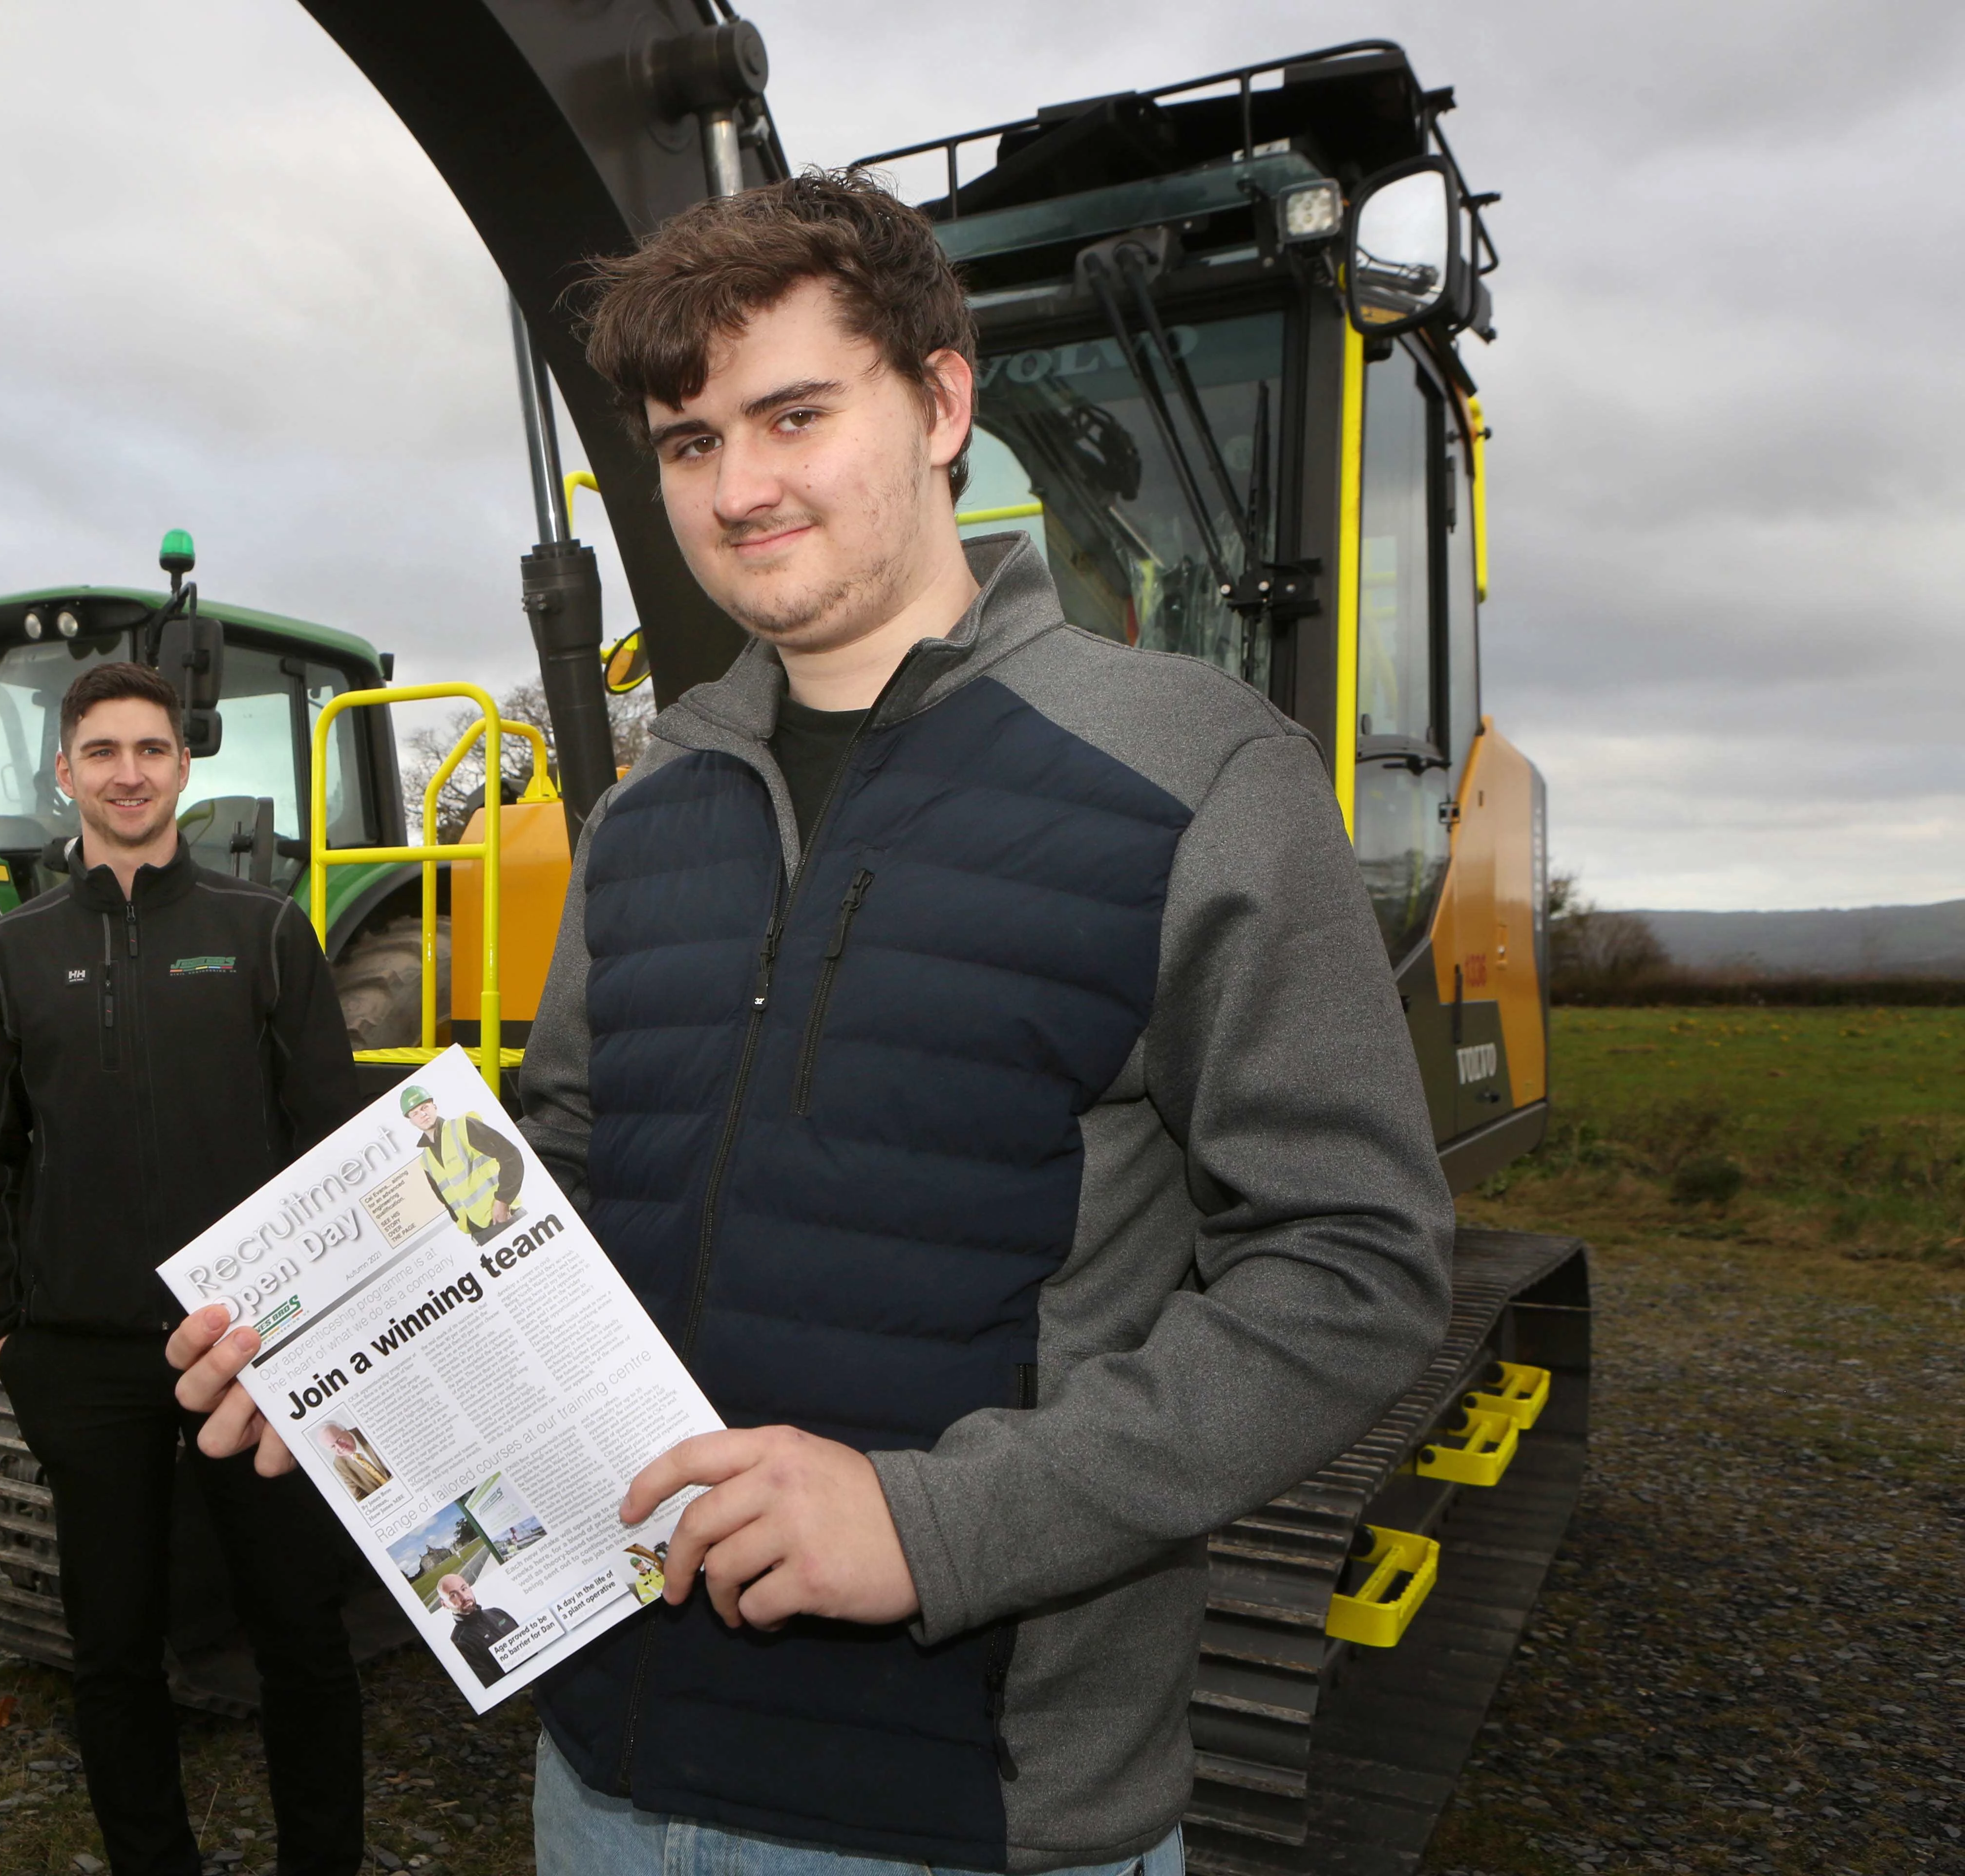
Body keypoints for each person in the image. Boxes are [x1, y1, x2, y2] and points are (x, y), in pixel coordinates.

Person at [173, 171, 1453, 1876]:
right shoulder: (649, 810)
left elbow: (1353, 1266)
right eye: (690, 444)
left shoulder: (1196, 773)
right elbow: (570, 1164)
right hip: (611, 1779)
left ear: (939, 403)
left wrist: (936, 1523)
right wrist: (353, 1332)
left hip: (970, 1815)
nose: (739, 485)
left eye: (794, 414)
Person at [0, 660, 366, 1876]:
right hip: (84, 1360)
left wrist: (321, 1331)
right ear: (62, 772)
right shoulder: (9, 955)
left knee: (299, 1628)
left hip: (255, 1352)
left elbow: (334, 1147)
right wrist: (3, 1337)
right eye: (102, 751)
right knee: (112, 1646)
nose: (128, 772)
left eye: (151, 750)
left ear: (185, 767)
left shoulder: (264, 933)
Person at [399, 1083, 524, 1242]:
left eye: (425, 1107)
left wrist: (503, 1201)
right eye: (415, 1113)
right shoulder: (426, 1160)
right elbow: (446, 1199)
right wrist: (467, 1227)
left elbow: (511, 1155)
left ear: (434, 1107)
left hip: (505, 1217)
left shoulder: (463, 1127)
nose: (422, 1114)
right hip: (479, 1233)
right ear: (412, 1121)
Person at [435, 1573, 520, 1688]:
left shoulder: (497, 1613)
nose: (464, 1597)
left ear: (469, 1588)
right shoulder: (459, 1643)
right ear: (444, 1604)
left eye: (464, 1589)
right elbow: (492, 1686)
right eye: (453, 1596)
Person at [314, 1420, 391, 1501]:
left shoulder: (366, 1431)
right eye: (333, 1447)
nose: (340, 1448)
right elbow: (359, 1497)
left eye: (339, 1440)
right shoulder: (339, 1465)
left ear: (345, 1430)